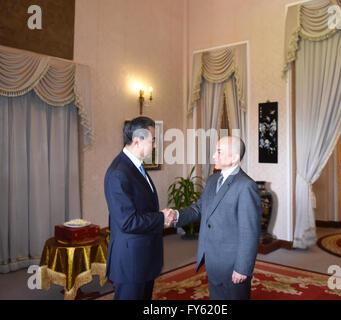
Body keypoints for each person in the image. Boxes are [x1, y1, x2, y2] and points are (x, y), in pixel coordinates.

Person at [165, 136, 262, 300]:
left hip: (232, 265)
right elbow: (199, 209)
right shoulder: (212, 180)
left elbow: (250, 232)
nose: (213, 156)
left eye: (218, 151)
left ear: (234, 157)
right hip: (213, 260)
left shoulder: (246, 186)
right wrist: (176, 215)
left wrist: (242, 268)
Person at [104, 116, 174, 300]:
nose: (155, 146)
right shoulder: (119, 172)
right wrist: (161, 218)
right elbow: (128, 222)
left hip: (143, 257)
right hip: (131, 262)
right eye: (152, 140)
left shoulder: (135, 167)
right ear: (137, 141)